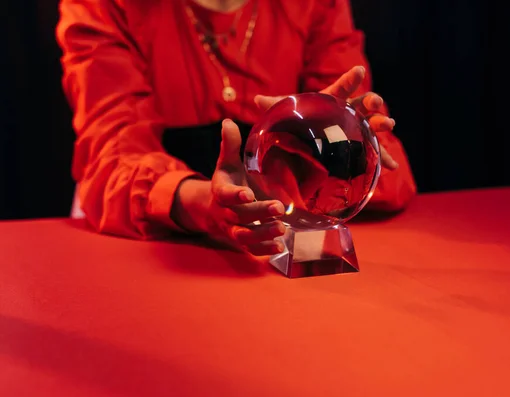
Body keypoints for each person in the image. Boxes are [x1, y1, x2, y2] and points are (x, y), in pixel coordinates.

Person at [56, 0, 417, 256]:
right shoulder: (103, 6)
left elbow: (391, 173)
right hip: (149, 250)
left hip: (279, 253)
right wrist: (204, 203)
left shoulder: (315, 5)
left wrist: (335, 146)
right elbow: (111, 159)